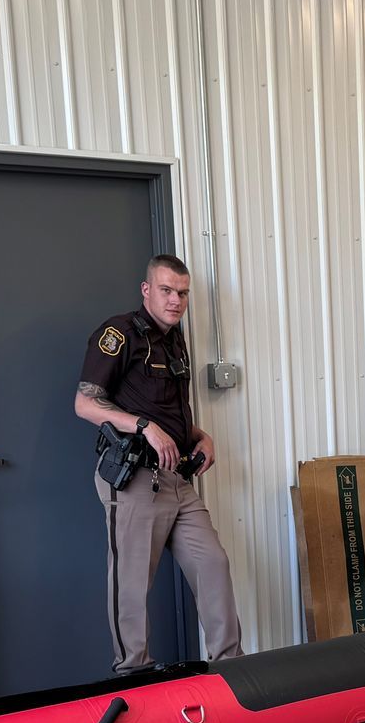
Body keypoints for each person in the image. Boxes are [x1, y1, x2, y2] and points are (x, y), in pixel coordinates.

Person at [75, 254, 242, 672]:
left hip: (176, 478)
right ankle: (133, 671)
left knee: (212, 563)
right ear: (146, 289)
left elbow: (166, 408)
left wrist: (199, 435)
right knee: (131, 582)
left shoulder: (174, 339)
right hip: (134, 476)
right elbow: (85, 405)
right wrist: (144, 426)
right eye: (166, 290)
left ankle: (230, 666)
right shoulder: (118, 334)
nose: (175, 301)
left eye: (182, 293)